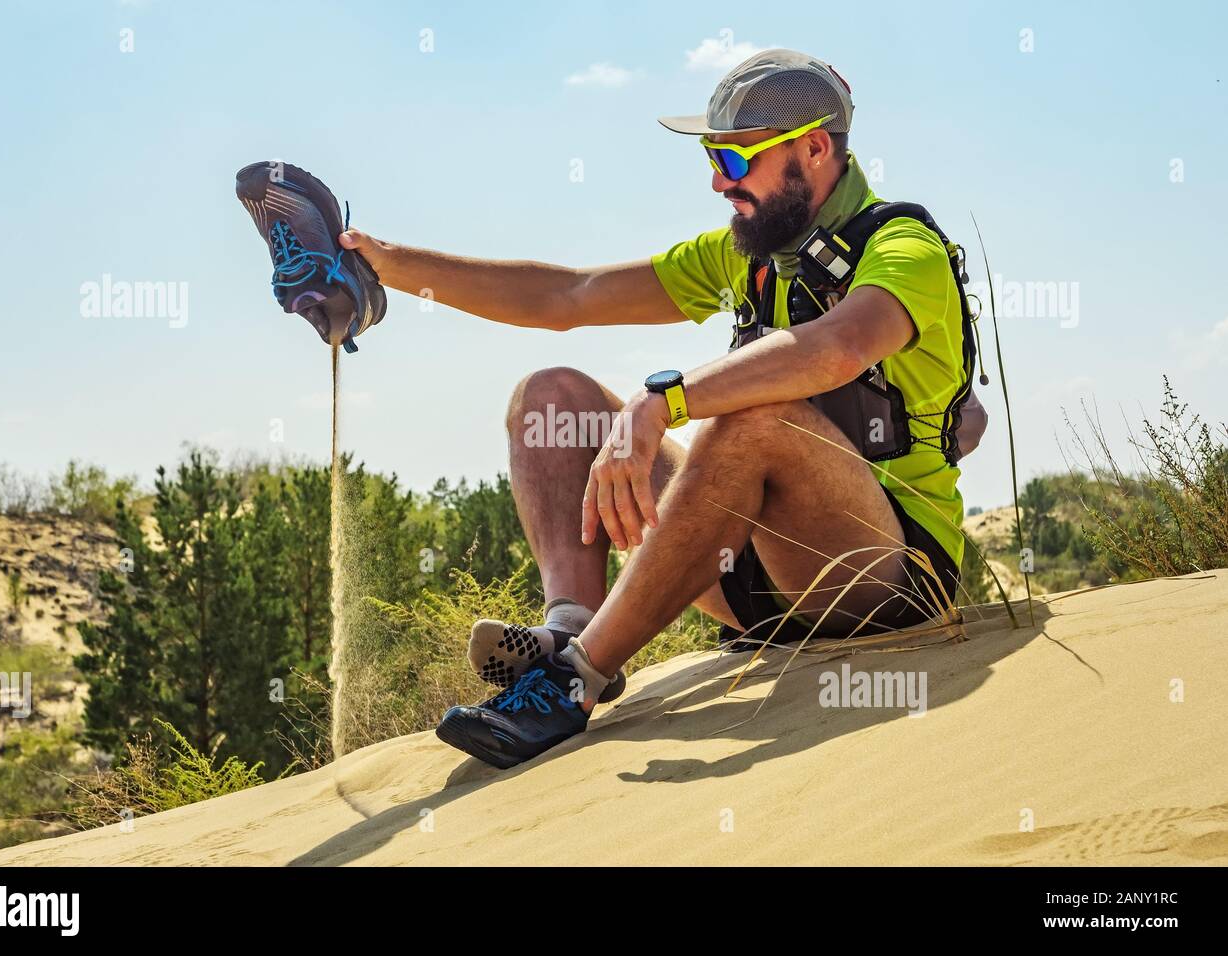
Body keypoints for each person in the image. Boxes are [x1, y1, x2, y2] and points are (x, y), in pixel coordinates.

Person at [337, 49, 979, 769]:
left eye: (736, 162)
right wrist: (383, 262)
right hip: (756, 584)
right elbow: (567, 297)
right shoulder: (749, 254)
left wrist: (662, 401)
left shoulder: (903, 247)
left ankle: (571, 680)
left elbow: (836, 349)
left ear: (815, 148)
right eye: (712, 157)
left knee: (755, 421)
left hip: (878, 581)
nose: (716, 181)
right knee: (555, 398)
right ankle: (570, 628)